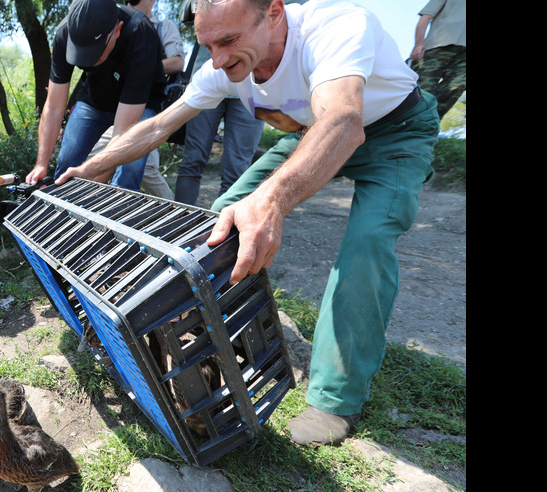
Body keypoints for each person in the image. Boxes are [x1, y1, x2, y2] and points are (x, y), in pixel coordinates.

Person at [57, 0, 440, 446]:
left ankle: (335, 400)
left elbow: (344, 120)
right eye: (208, 45)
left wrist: (272, 200)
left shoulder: (336, 25)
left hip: (395, 131)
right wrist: (93, 166)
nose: (218, 59)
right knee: (217, 220)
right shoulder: (223, 66)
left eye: (228, 41)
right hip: (311, 134)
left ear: (273, 13)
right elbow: (159, 125)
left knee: (367, 244)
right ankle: (221, 341)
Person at [27, 0, 166, 191]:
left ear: (117, 29)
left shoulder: (141, 34)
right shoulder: (64, 33)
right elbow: (53, 107)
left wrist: (93, 185)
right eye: (81, 52)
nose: (88, 61)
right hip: (96, 98)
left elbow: (122, 133)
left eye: (95, 52)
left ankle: (116, 211)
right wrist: (41, 164)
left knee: (130, 166)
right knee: (68, 158)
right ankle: (60, 207)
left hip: (140, 103)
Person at [87, 0, 182, 199]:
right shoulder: (115, 25)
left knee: (133, 164)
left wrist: (145, 65)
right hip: (118, 107)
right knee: (103, 157)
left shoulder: (163, 27)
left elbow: (177, 63)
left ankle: (173, 210)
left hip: (149, 105)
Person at [173, 41, 265, 205]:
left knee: (237, 170)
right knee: (192, 160)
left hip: (251, 85)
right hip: (206, 80)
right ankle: (181, 220)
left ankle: (224, 226)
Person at [409, 0, 465, 121]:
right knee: (421, 89)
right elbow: (426, 16)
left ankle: (428, 124)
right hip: (438, 45)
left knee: (457, 86)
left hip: (464, 55)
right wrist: (419, 43)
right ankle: (402, 122)